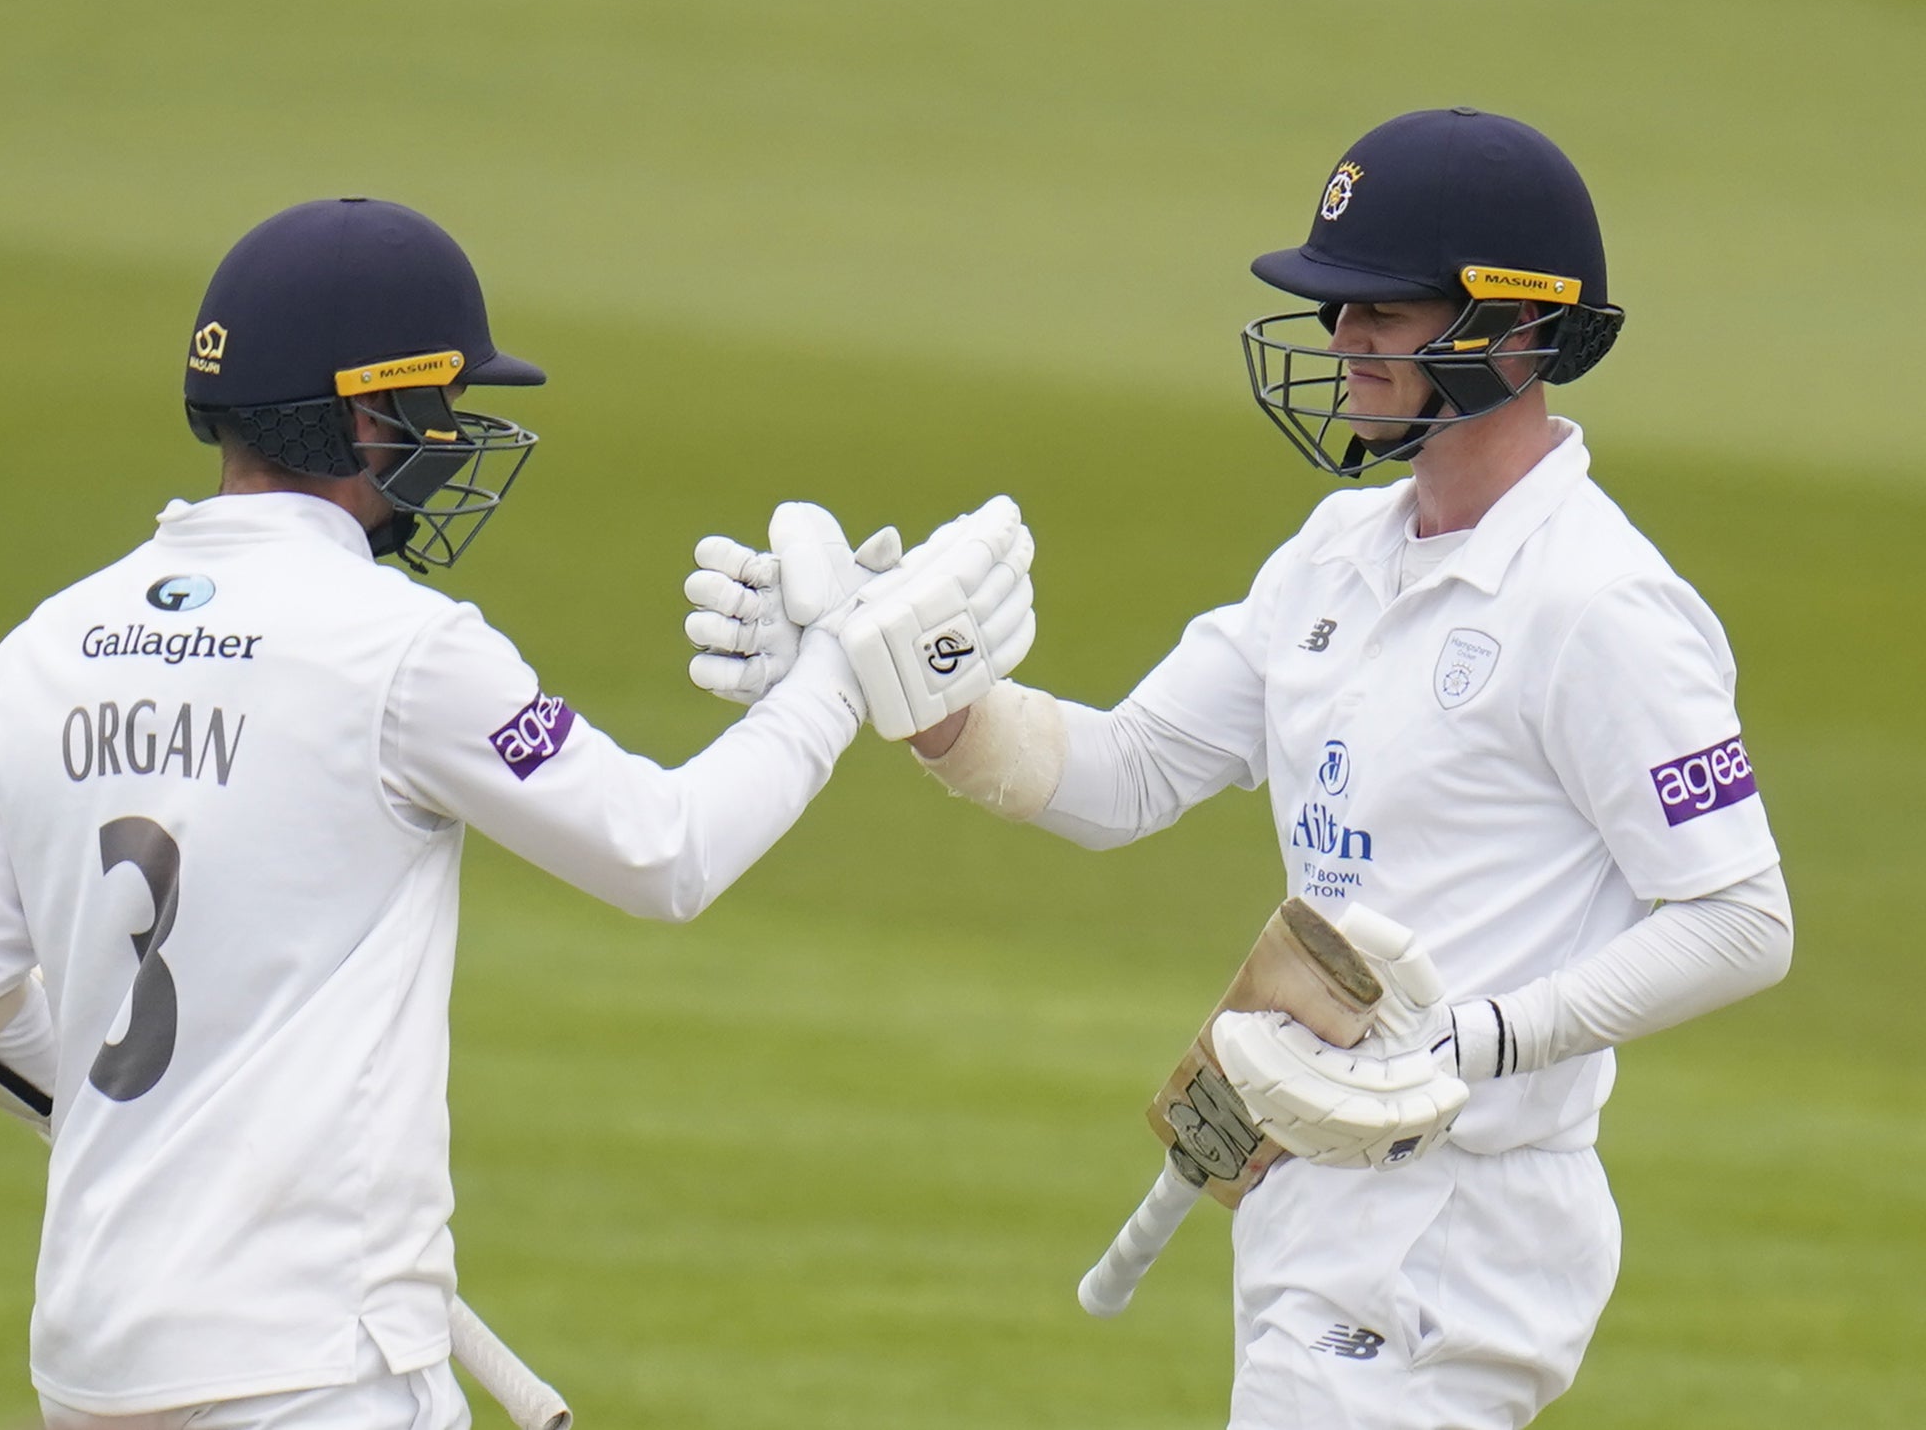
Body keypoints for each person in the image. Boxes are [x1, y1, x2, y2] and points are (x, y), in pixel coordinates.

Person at [0, 196, 1034, 1430]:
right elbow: (665, 852)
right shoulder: (401, 650)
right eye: (440, 406)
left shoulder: (42, 649)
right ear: (365, 413)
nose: (454, 439)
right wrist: (835, 675)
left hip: (93, 1367)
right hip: (317, 1363)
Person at [691, 107, 1793, 1428]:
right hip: (1306, 1186)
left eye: (1382, 313)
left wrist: (1469, 1037)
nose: (1342, 344)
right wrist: (920, 692)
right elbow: (1125, 774)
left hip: (1460, 1219)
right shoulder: (1333, 554)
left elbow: (1742, 920)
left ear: (1514, 330)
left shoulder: (1601, 604)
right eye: (1339, 312)